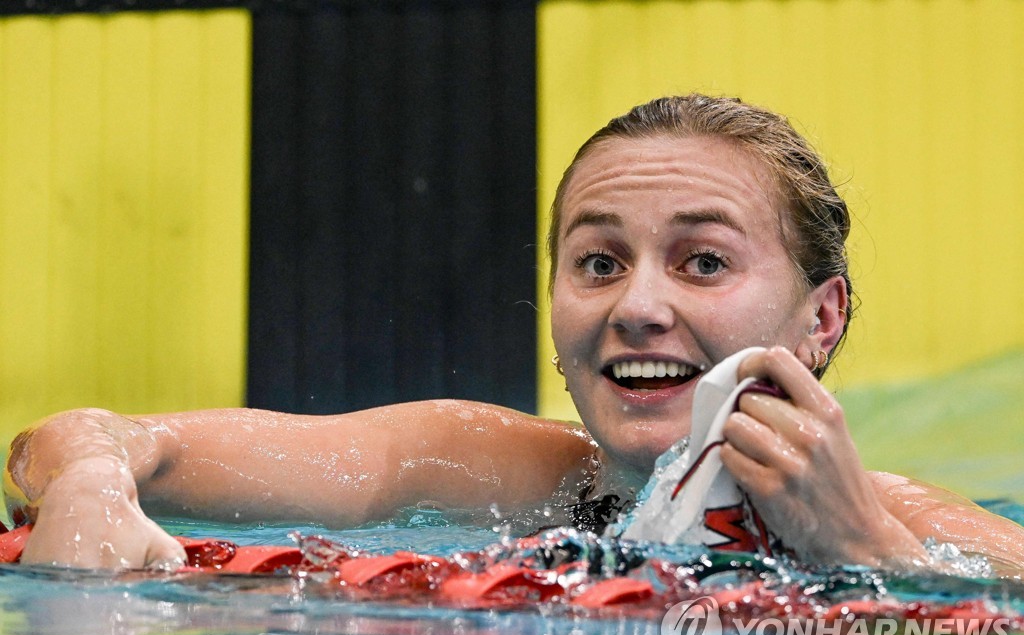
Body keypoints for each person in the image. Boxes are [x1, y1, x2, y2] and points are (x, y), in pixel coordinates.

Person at [7, 94, 1024, 573]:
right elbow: (93, 439)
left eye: (702, 261)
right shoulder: (476, 466)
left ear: (821, 318)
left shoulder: (917, 524)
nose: (635, 304)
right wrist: (93, 482)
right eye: (597, 262)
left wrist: (867, 549)